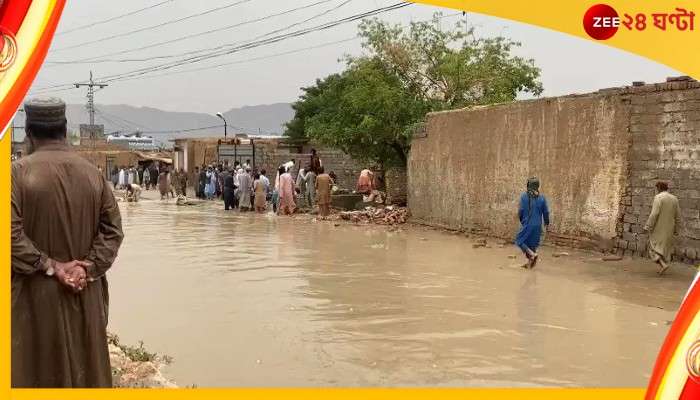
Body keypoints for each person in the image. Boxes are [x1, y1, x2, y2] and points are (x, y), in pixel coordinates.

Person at [11, 97, 124, 387]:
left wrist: (51, 266)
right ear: (63, 130)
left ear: (30, 133)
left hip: (34, 300)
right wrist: (87, 269)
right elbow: (113, 230)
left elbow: (7, 234)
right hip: (85, 294)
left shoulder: (16, 174)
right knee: (88, 374)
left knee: (35, 372)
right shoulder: (93, 174)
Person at [644, 181, 681, 275]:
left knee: (652, 246)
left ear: (659, 188)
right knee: (663, 248)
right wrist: (676, 229)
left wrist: (648, 226)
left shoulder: (658, 198)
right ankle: (662, 266)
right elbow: (678, 216)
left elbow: (654, 213)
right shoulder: (674, 199)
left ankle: (663, 265)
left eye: (656, 189)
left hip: (658, 228)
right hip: (669, 229)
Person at [515, 177, 550, 269]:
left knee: (519, 240)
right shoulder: (542, 198)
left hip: (528, 224)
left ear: (528, 185)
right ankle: (530, 264)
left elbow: (520, 211)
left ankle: (532, 254)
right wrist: (546, 222)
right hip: (538, 225)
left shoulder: (524, 196)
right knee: (532, 244)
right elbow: (546, 212)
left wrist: (523, 221)